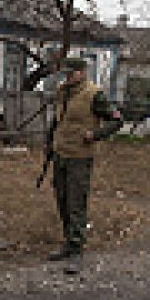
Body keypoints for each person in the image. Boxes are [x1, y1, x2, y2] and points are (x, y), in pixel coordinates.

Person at [46, 57, 124, 274]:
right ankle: (68, 242)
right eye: (66, 73)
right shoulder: (63, 91)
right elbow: (58, 119)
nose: (68, 76)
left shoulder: (94, 94)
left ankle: (77, 249)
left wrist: (95, 135)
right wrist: (49, 142)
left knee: (76, 202)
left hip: (80, 157)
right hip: (61, 153)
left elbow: (117, 120)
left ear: (82, 72)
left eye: (72, 72)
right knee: (61, 199)